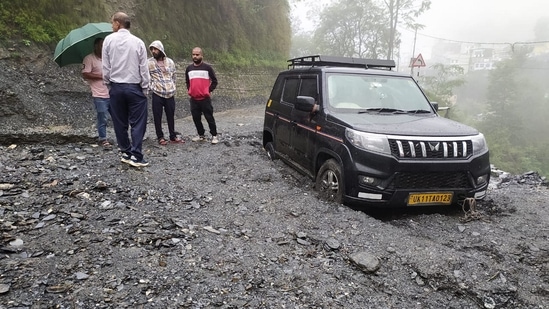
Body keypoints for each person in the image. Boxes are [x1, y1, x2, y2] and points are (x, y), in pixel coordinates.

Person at [102, 12, 150, 167]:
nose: (111, 26)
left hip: (116, 87)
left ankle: (125, 152)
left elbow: (106, 66)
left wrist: (109, 84)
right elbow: (143, 68)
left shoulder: (108, 40)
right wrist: (145, 88)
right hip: (134, 87)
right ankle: (136, 156)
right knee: (137, 122)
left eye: (112, 23)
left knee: (119, 122)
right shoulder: (138, 42)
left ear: (117, 23)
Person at [147, 40, 183, 145]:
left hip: (170, 93)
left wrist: (173, 86)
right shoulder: (149, 63)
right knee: (157, 116)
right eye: (152, 49)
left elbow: (174, 75)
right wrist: (151, 87)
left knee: (170, 115)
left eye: (155, 49)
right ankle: (160, 137)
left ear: (161, 49)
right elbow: (146, 77)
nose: (153, 51)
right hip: (157, 93)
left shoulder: (170, 62)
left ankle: (172, 136)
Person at [185, 47, 219, 144]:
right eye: (193, 54)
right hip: (194, 99)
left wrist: (208, 90)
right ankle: (201, 135)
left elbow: (215, 81)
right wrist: (190, 90)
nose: (195, 56)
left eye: (197, 54)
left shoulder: (207, 68)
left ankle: (214, 135)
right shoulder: (189, 69)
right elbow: (187, 82)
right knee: (196, 118)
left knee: (209, 117)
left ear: (201, 56)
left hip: (205, 99)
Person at [82, 38, 112, 149]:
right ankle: (103, 138)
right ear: (95, 46)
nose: (103, 47)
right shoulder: (89, 59)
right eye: (101, 45)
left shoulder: (108, 58)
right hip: (99, 94)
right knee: (102, 116)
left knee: (118, 116)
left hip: (112, 92)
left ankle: (121, 138)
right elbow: (85, 74)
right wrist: (102, 76)